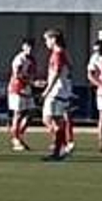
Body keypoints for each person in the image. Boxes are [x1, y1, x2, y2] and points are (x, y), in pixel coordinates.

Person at [41, 28, 75, 160]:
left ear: (53, 39)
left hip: (56, 92)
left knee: (49, 119)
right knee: (56, 120)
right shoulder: (63, 53)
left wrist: (47, 90)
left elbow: (56, 73)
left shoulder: (58, 54)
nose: (46, 43)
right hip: (62, 91)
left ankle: (60, 147)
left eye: (47, 39)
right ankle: (61, 147)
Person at [7, 37, 37, 152]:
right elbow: (17, 75)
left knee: (31, 113)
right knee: (18, 114)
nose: (29, 49)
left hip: (27, 89)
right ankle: (16, 139)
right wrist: (32, 82)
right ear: (23, 47)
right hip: (17, 88)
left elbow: (31, 74)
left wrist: (36, 82)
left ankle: (19, 135)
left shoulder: (32, 60)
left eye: (31, 47)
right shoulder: (19, 59)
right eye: (27, 47)